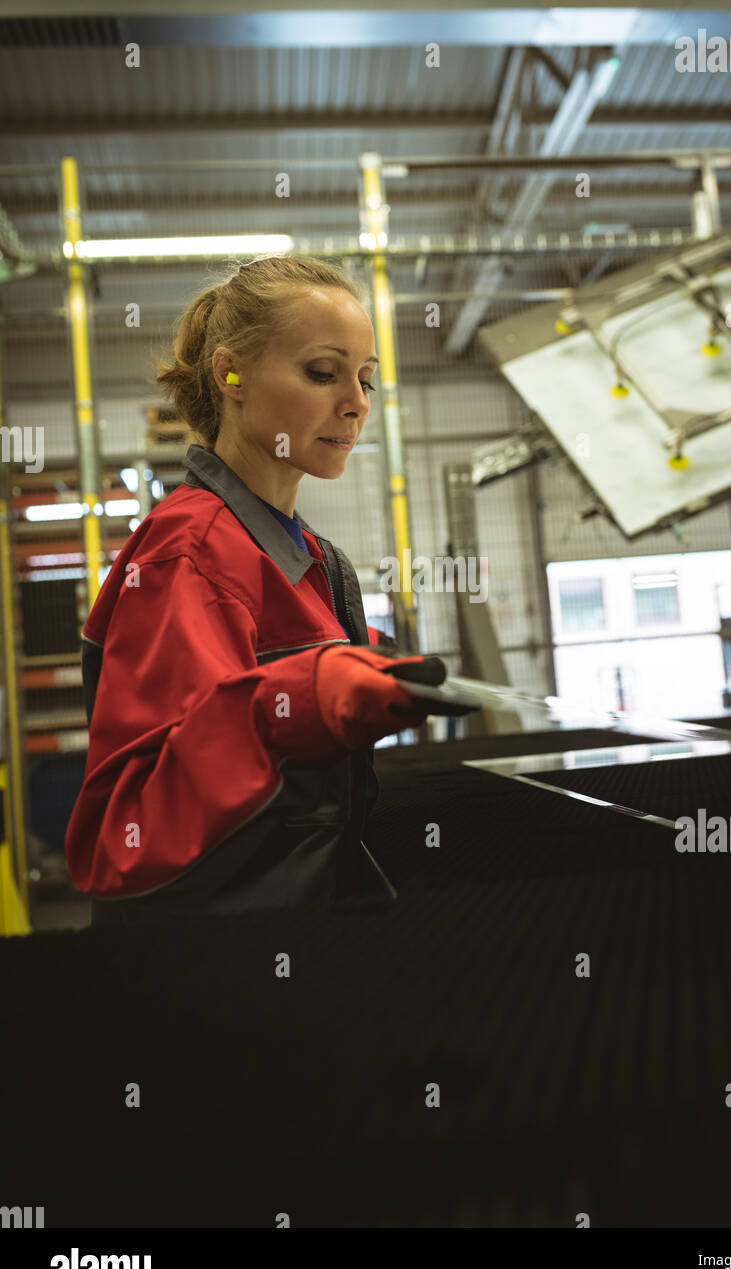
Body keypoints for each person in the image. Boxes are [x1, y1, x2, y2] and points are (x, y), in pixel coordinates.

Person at [65, 255, 468, 925]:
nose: (357, 403)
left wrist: (346, 659)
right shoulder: (187, 556)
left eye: (365, 378)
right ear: (231, 374)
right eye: (321, 373)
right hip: (216, 971)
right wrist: (301, 698)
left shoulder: (298, 554)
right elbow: (126, 832)